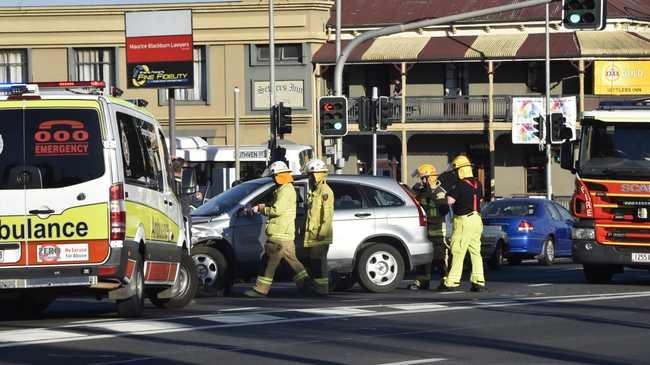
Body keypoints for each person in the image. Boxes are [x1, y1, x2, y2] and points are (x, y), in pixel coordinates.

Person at [244, 161, 310, 297]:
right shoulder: (285, 189)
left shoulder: (285, 190)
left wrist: (260, 208)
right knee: (293, 263)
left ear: (280, 176)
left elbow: (277, 209)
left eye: (274, 176)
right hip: (285, 233)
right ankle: (307, 285)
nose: (273, 179)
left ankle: (261, 289)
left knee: (268, 263)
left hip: (279, 234)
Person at [440, 155, 486, 292]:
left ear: (460, 170)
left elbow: (450, 201)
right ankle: (478, 281)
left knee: (458, 250)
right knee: (475, 251)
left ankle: (452, 281)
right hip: (477, 219)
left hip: (463, 220)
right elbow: (480, 199)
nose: (454, 174)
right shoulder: (478, 183)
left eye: (455, 171)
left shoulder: (459, 184)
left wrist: (447, 192)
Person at [408, 164, 449, 290]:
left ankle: (445, 281)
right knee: (423, 257)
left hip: (438, 231)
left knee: (440, 258)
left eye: (424, 178)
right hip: (425, 231)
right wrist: (414, 191)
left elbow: (443, 211)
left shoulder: (440, 192)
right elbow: (411, 201)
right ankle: (422, 281)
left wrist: (428, 194)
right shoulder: (423, 191)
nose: (422, 181)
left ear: (430, 178)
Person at [302, 159, 334, 296]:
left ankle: (322, 290)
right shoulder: (314, 190)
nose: (310, 177)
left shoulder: (325, 191)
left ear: (319, 174)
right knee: (313, 263)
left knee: (319, 264)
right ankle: (316, 287)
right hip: (311, 235)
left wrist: (322, 233)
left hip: (319, 236)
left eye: (312, 174)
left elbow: (327, 215)